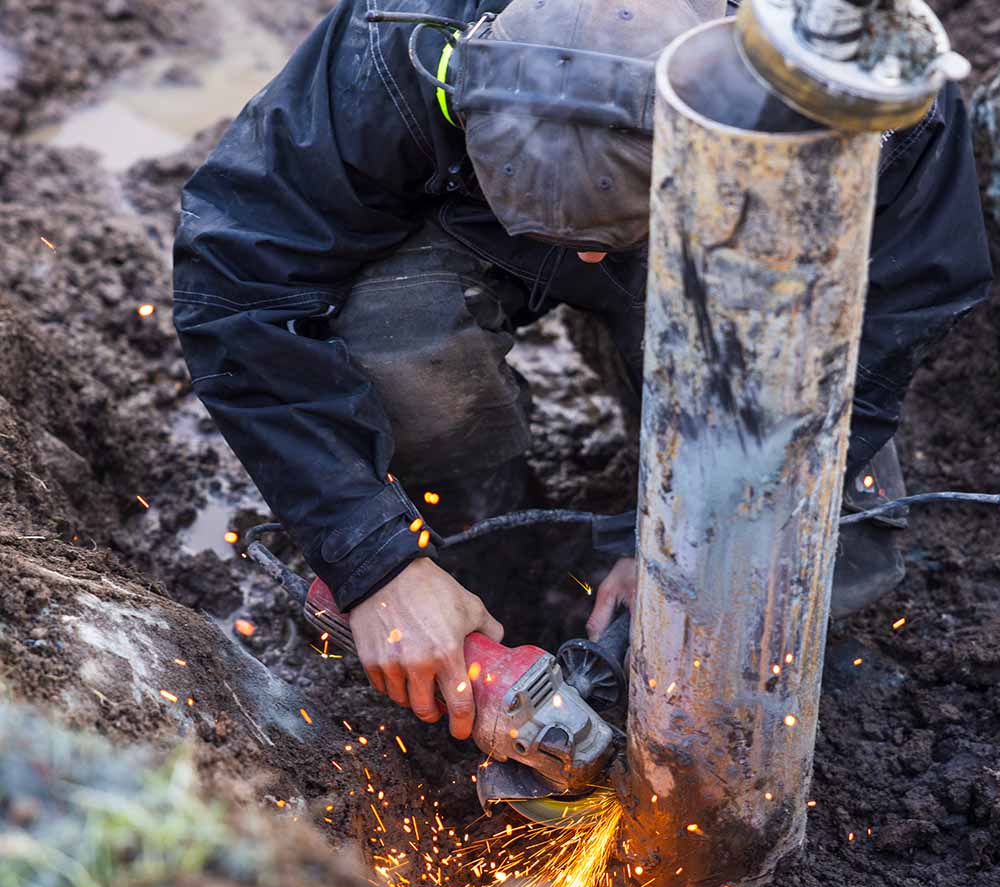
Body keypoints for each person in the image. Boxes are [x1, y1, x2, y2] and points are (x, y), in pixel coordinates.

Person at [173, 0, 991, 740]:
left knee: (821, 546)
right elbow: (235, 281)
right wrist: (375, 561)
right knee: (396, 340)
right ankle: (466, 541)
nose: (591, 259)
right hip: (476, 227)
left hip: (733, 245)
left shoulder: (846, 82)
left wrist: (693, 551)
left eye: (603, 242)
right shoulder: (400, 46)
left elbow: (891, 316)